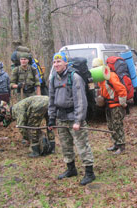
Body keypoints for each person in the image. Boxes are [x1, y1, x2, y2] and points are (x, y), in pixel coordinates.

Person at [48, 52, 95, 186]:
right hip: (61, 118)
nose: (56, 64)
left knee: (82, 145)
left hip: (74, 118)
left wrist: (78, 120)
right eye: (54, 62)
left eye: (59, 62)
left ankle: (89, 172)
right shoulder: (53, 79)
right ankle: (71, 169)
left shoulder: (75, 77)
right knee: (65, 145)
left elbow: (81, 100)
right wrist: (51, 117)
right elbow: (51, 99)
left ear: (65, 63)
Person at [93, 58, 127, 155]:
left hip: (115, 105)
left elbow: (121, 89)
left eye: (97, 67)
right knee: (110, 125)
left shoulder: (111, 76)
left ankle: (121, 145)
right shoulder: (100, 79)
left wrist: (122, 103)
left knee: (117, 125)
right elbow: (103, 90)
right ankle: (116, 144)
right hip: (108, 105)